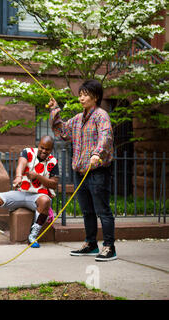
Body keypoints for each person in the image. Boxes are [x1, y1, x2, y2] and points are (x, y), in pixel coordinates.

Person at [48, 79, 116, 261]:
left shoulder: (101, 116)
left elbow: (106, 136)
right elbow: (62, 131)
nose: (81, 98)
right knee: (87, 210)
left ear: (95, 96)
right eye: (80, 94)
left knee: (103, 210)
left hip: (97, 171)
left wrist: (97, 153)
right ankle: (91, 244)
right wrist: (55, 110)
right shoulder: (78, 119)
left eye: (85, 94)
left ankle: (109, 247)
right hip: (80, 172)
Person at [0, 136, 59, 248]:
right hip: (21, 192)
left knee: (46, 200)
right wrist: (18, 177)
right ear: (39, 145)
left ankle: (33, 236)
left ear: (51, 150)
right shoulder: (28, 152)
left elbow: (54, 184)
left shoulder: (53, 161)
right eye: (42, 147)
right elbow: (20, 165)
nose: (43, 151)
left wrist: (38, 176)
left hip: (38, 196)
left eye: (47, 149)